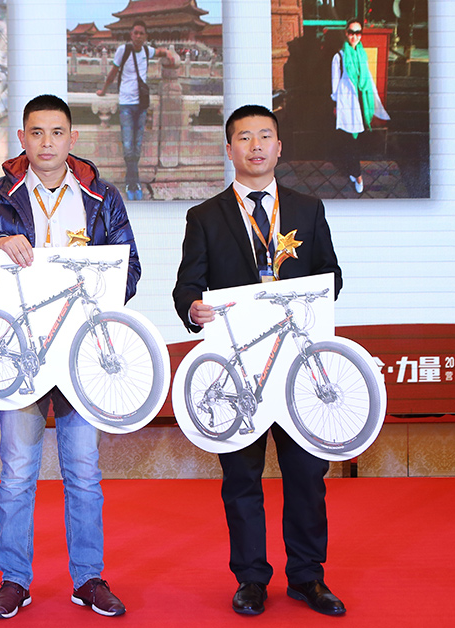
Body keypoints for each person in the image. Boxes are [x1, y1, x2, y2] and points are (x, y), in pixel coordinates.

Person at [0, 94, 140, 619]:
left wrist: (94, 281)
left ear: (72, 138)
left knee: (83, 471)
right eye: (36, 133)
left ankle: (88, 578)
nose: (46, 142)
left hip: (81, 354)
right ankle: (14, 580)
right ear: (22, 138)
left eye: (57, 132)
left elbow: (129, 271)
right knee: (18, 472)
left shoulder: (102, 196)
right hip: (19, 354)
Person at [172, 105, 346, 617]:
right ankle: (250, 579)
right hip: (238, 371)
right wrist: (193, 308)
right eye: (244, 138)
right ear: (229, 149)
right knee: (242, 479)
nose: (255, 146)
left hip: (296, 368)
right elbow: (187, 285)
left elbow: (331, 274)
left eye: (265, 136)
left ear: (279, 146)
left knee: (307, 475)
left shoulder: (308, 209)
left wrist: (309, 297)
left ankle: (308, 577)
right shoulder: (204, 216)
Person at [95, 20, 177, 200]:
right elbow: (113, 72)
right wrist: (104, 90)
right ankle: (133, 182)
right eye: (136, 33)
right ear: (131, 35)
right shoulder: (123, 50)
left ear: (146, 36)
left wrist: (168, 53)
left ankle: (131, 181)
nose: (138, 36)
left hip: (142, 104)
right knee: (128, 145)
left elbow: (160, 52)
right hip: (126, 103)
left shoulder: (147, 51)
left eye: (142, 33)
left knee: (137, 146)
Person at [331, 17, 389, 194]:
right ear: (346, 33)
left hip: (363, 103)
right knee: (351, 141)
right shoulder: (339, 57)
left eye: (358, 32)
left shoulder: (362, 55)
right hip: (348, 104)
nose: (354, 36)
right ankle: (358, 176)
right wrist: (335, 105)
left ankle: (352, 170)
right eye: (351, 32)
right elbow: (334, 84)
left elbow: (368, 79)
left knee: (355, 141)